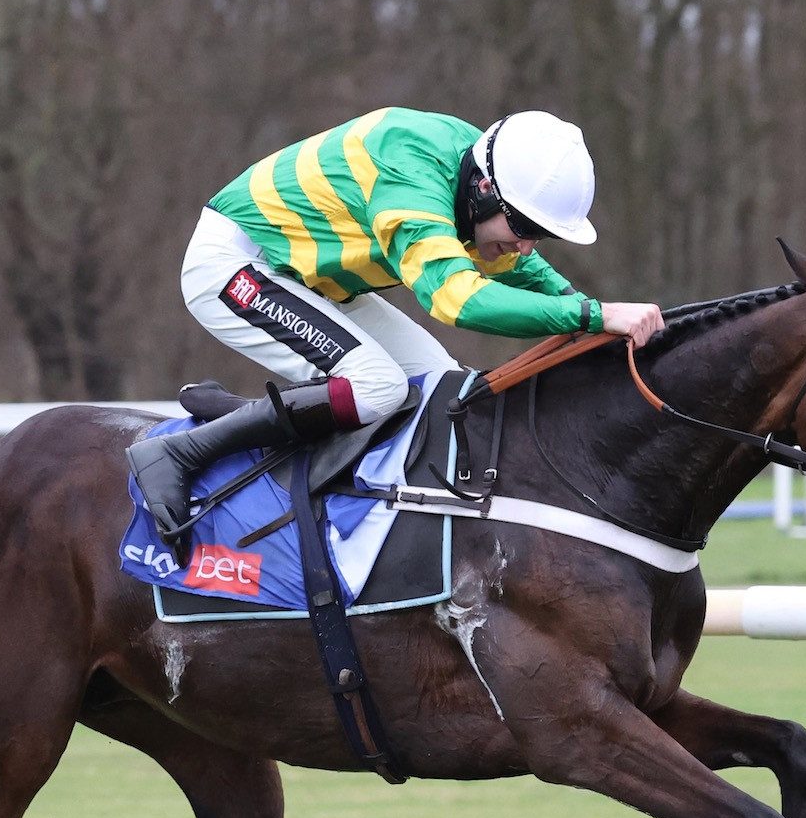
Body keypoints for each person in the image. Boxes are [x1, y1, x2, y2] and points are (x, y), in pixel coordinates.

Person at [127, 107, 665, 556]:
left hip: (307, 276)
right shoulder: (410, 172)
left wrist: (580, 303)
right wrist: (591, 315)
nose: (526, 246)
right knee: (379, 387)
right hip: (237, 265)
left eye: (540, 234)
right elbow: (455, 298)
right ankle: (180, 453)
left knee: (441, 385)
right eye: (524, 228)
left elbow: (518, 268)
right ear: (484, 190)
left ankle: (247, 422)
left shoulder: (476, 172)